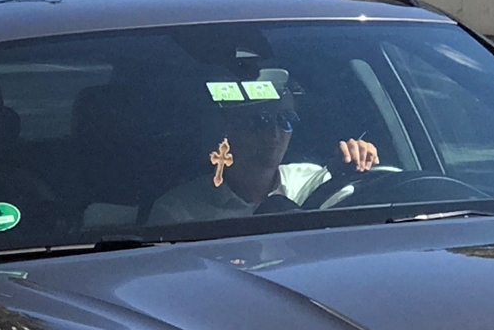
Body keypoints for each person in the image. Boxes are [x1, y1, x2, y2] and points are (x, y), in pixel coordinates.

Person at [149, 81, 380, 225]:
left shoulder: (314, 181)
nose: (274, 133)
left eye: (286, 120)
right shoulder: (179, 214)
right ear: (228, 129)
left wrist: (360, 165)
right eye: (260, 121)